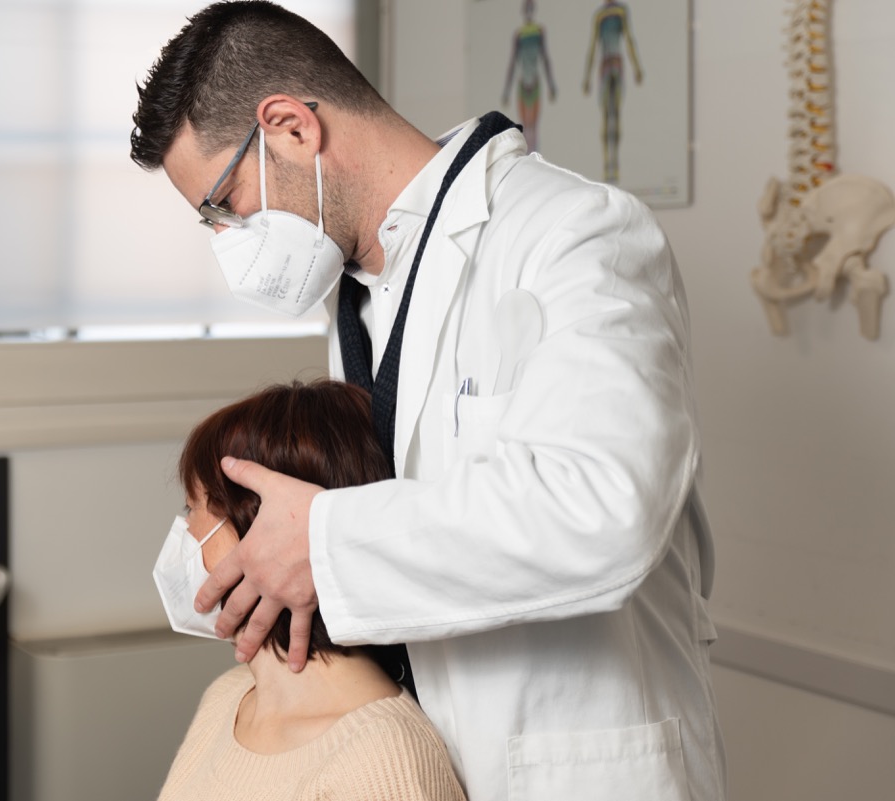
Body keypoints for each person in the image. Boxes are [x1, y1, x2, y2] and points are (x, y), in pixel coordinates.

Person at [131, 3, 726, 800]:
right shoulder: (358, 294)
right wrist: (250, 555)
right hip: (416, 761)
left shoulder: (575, 234)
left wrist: (326, 547)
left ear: (292, 128)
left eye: (224, 204)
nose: (228, 239)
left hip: (574, 765)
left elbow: (606, 507)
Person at [154, 380, 466, 801]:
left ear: (261, 526)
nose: (184, 532)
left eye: (191, 508)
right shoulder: (227, 700)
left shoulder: (380, 758)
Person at [582, 0, 644, 184]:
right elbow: (593, 46)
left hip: (613, 65)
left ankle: (613, 163)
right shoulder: (601, 15)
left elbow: (629, 39)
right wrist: (587, 77)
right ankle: (607, 163)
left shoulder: (620, 11)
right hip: (609, 66)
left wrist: (636, 67)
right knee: (607, 115)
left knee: (614, 115)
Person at [501, 0, 557, 154]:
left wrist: (551, 84)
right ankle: (530, 156)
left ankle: (534, 156)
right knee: (527, 125)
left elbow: (545, 58)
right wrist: (506, 91)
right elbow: (513, 62)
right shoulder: (519, 35)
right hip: (524, 83)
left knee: (532, 126)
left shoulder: (539, 32)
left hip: (533, 82)